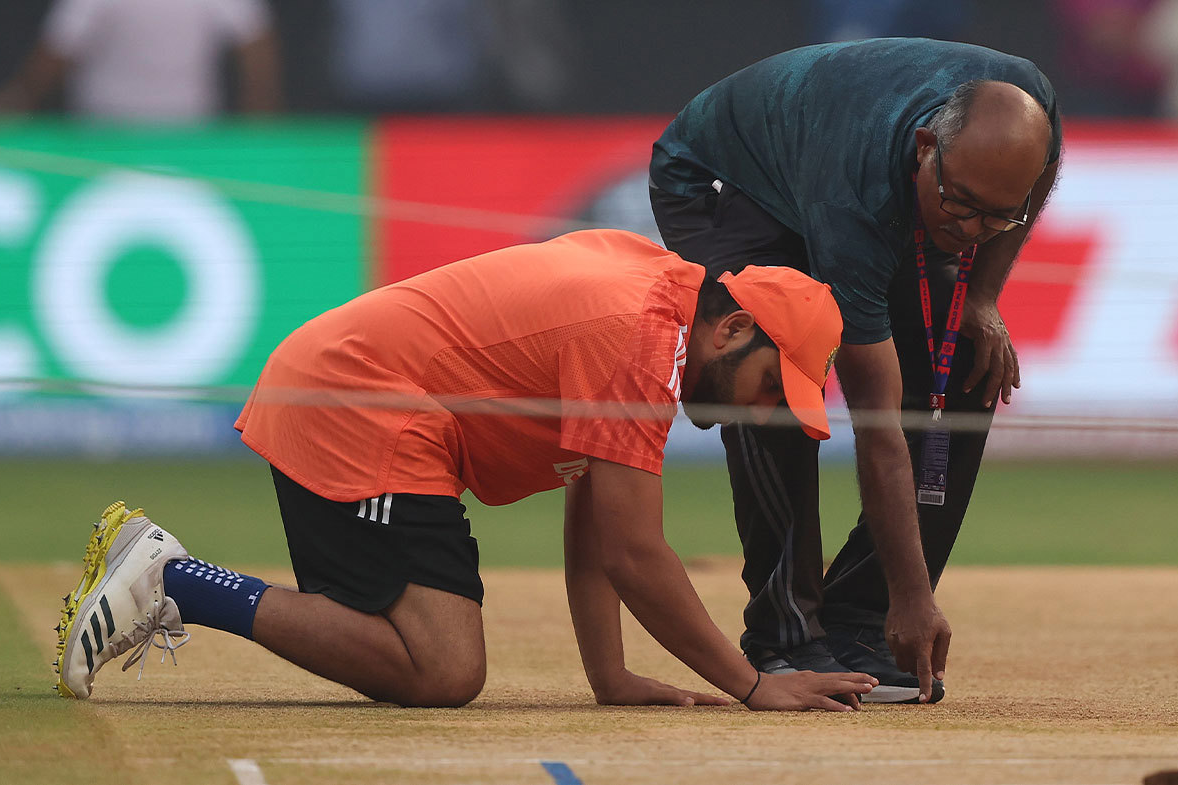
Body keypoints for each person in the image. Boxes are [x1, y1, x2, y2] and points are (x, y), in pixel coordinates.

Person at [52, 229, 878, 711]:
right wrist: (750, 685)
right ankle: (174, 579)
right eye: (773, 386)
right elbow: (634, 551)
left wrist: (609, 672)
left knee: (414, 655)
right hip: (356, 405)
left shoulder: (659, 302)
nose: (765, 411)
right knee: (443, 668)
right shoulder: (644, 336)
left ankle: (174, 578)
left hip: (354, 401)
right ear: (733, 330)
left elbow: (595, 507)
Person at [648, 38, 1062, 703]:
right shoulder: (858, 199)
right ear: (926, 147)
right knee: (763, 366)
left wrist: (981, 294)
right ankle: (784, 634)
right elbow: (877, 425)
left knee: (965, 360)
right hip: (726, 179)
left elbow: (1032, 186)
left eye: (996, 214)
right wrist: (916, 595)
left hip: (842, 164)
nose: (973, 228)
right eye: (961, 205)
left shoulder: (1029, 108)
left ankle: (857, 618)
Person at [0, 0, 280, 121]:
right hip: (106, 128)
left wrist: (259, 117)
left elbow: (58, 52)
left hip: (187, 132)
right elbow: (59, 50)